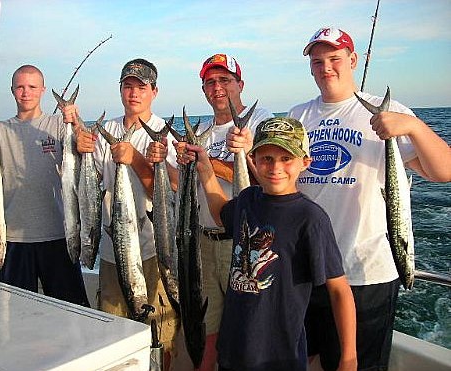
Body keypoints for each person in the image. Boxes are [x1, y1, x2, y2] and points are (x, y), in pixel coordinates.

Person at [286, 27, 451, 370]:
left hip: (366, 273)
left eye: (334, 58)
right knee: (307, 360)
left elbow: (443, 172)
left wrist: (414, 128)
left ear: (353, 60)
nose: (326, 67)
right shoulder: (298, 116)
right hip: (308, 270)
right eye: (318, 62)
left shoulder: (387, 112)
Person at [177, 117, 357, 371]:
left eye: (286, 159)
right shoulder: (248, 199)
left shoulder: (310, 219)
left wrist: (348, 358)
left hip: (279, 357)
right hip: (233, 349)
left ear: (305, 162)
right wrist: (205, 167)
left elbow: (339, 290)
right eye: (267, 158)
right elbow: (220, 212)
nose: (276, 168)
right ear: (253, 160)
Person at [72, 58, 180, 370]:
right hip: (111, 249)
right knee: (113, 332)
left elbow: (171, 189)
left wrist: (136, 159)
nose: (134, 93)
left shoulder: (163, 134)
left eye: (141, 87)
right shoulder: (106, 130)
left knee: (160, 333)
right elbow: (88, 186)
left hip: (154, 250)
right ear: (120, 90)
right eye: (127, 86)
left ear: (154, 91)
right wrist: (78, 148)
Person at [0, 64, 90, 307]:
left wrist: (75, 120)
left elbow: (86, 145)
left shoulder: (58, 125)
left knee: (73, 312)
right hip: (11, 239)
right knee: (17, 315)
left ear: (43, 90)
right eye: (20, 87)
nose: (26, 92)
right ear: (12, 91)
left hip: (61, 236)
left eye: (32, 87)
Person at [193, 53, 274, 370]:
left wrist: (214, 162)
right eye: (210, 82)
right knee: (209, 327)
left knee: (248, 328)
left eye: (224, 80)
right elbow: (182, 184)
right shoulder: (200, 129)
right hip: (203, 242)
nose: (217, 87)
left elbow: (270, 181)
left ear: (240, 84)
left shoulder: (262, 122)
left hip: (245, 244)